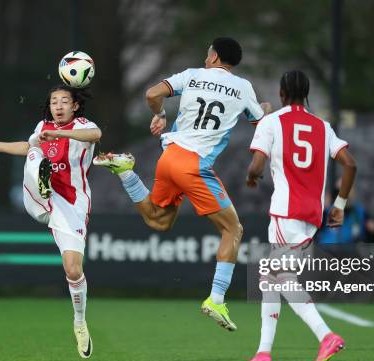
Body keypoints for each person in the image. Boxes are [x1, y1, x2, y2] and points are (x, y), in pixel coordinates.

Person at [93, 37, 270, 331]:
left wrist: (160, 113)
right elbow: (261, 124)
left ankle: (125, 171)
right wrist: (264, 107)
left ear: (214, 57)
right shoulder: (243, 88)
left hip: (170, 156)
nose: (205, 58)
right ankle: (216, 298)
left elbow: (152, 93)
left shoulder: (192, 76)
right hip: (194, 166)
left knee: (158, 222)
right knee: (233, 229)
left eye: (207, 54)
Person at [231, 70, 357, 361]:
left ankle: (325, 336)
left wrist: (251, 176)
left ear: (282, 93)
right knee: (273, 279)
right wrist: (339, 207)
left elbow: (256, 165)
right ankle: (263, 354)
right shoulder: (323, 126)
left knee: (275, 278)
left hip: (285, 212)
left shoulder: (272, 122)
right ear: (307, 94)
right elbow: (350, 164)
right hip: (312, 216)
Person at [0, 84, 102, 359]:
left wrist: (57, 132)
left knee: (73, 270)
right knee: (35, 152)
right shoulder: (43, 126)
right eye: (54, 101)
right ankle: (42, 181)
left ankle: (79, 322)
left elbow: (96, 135)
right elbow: (26, 145)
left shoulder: (83, 126)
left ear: (75, 106)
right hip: (41, 199)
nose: (58, 106)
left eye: (64, 101)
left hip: (71, 203)